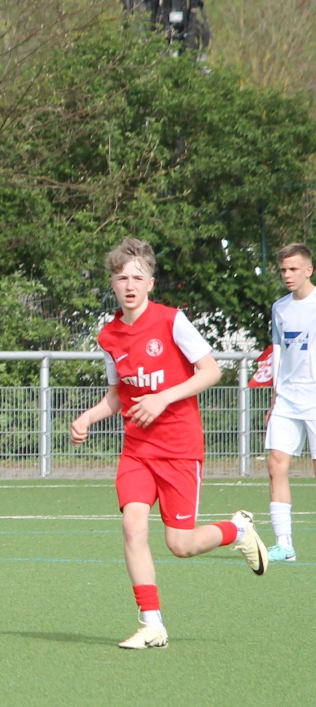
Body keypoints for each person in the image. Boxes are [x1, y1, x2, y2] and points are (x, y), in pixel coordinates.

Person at [70, 237, 269, 648]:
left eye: (137, 277)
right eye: (121, 277)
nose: (129, 285)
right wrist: (88, 416)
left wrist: (163, 398)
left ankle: (237, 529)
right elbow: (117, 396)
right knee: (132, 527)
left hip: (179, 448)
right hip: (137, 451)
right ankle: (152, 624)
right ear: (112, 283)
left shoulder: (172, 321)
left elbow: (211, 371)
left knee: (181, 544)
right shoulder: (108, 336)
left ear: (150, 282)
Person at [264, 243, 314, 562]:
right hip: (287, 398)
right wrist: (275, 398)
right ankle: (284, 545)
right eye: (283, 269)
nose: (287, 275)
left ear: (309, 270)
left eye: (293, 269)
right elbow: (279, 354)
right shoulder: (279, 308)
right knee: (275, 465)